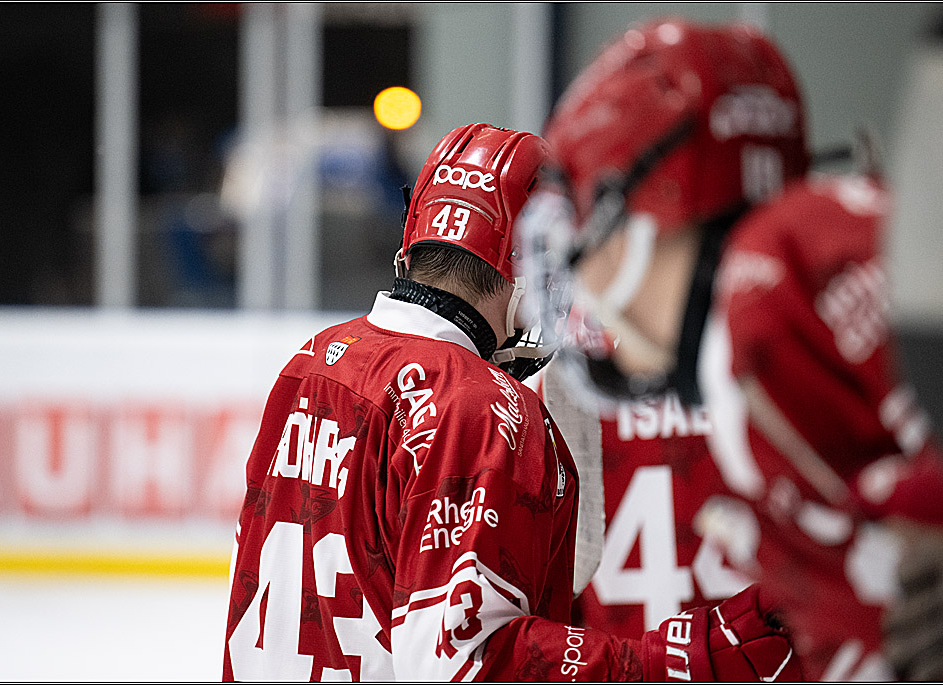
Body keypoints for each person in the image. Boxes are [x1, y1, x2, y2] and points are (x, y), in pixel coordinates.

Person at [222, 122, 802, 682]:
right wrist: (664, 661)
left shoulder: (310, 365)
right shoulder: (479, 404)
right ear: (522, 256)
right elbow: (462, 661)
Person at [522, 17, 943, 682]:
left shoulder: (776, 289)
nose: (577, 267)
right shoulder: (746, 344)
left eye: (584, 209)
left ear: (651, 203)